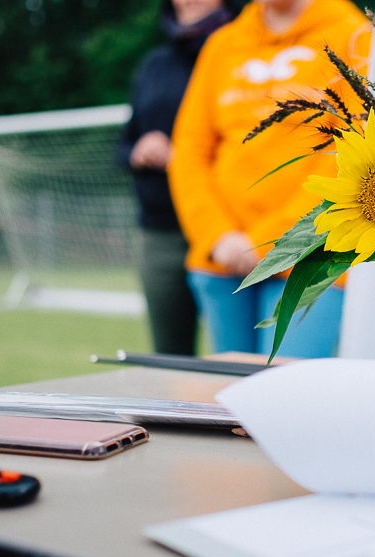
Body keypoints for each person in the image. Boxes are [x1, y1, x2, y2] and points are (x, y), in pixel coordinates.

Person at [167, 0, 370, 357]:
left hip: (312, 257)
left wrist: (271, 242)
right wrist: (217, 234)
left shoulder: (354, 34)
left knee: (288, 398)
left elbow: (356, 151)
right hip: (223, 261)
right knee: (228, 401)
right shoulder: (222, 44)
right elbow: (189, 151)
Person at [117, 0, 237, 355]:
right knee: (169, 357)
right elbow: (122, 146)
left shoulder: (240, 55)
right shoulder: (154, 65)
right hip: (162, 232)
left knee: (238, 359)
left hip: (229, 228)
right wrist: (140, 150)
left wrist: (186, 162)